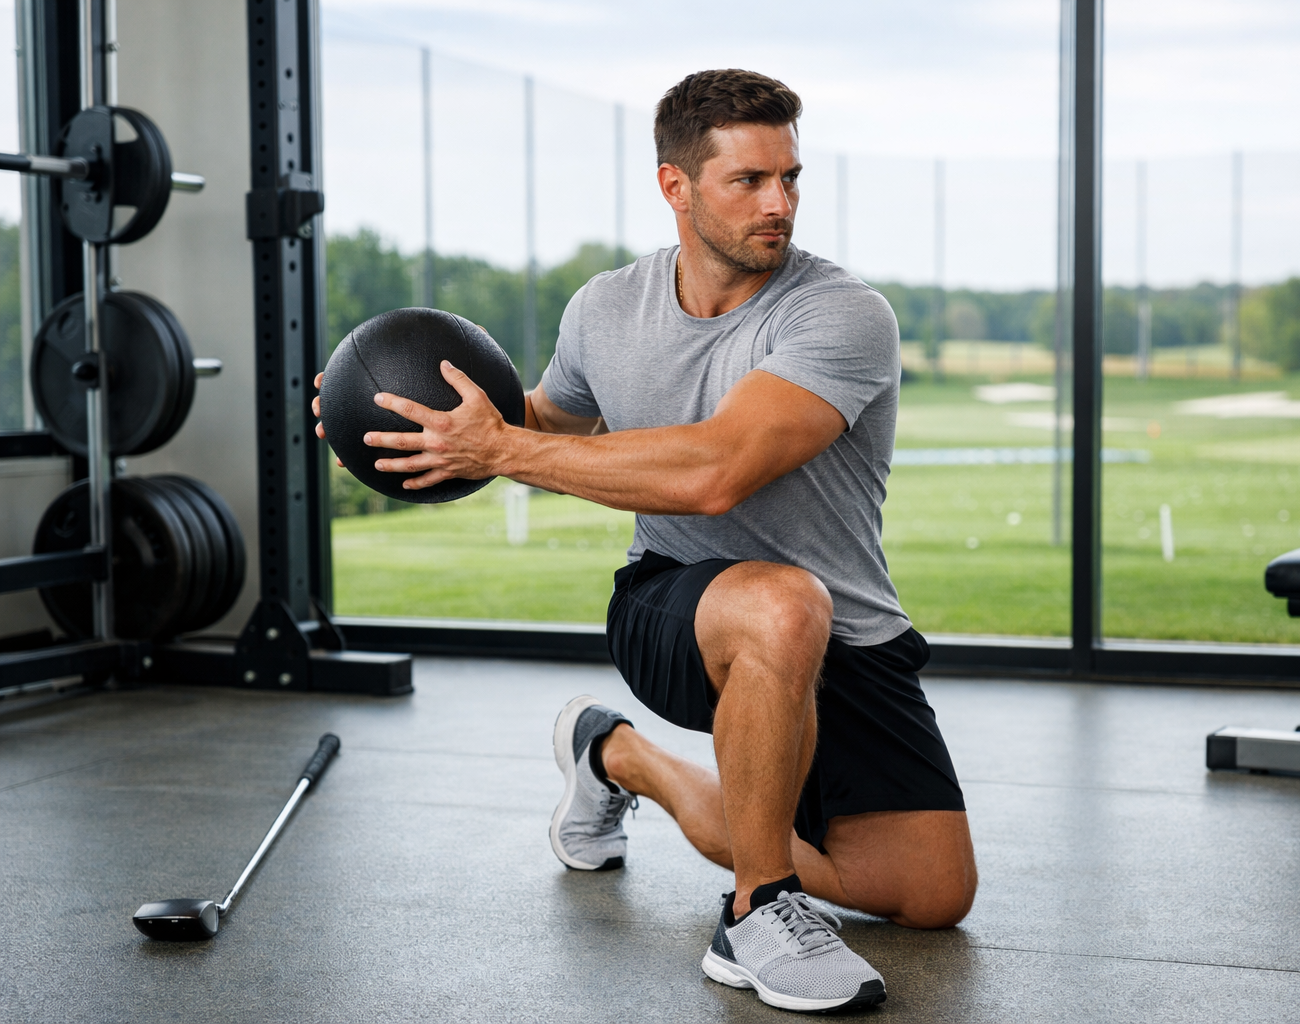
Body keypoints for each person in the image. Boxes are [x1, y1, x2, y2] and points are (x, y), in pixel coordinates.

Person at [316, 68, 976, 1014]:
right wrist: (395, 422)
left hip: (851, 633)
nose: (780, 203)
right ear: (676, 184)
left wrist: (500, 447)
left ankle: (615, 757)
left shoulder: (840, 314)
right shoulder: (605, 309)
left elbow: (718, 469)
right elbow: (547, 424)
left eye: (790, 177)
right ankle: (757, 914)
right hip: (674, 600)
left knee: (931, 895)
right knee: (782, 603)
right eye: (749, 180)